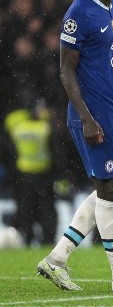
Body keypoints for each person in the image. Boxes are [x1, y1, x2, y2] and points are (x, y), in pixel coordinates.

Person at [37, 0, 113, 291]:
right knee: (107, 193)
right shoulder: (79, 11)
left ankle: (57, 259)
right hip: (92, 115)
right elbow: (66, 71)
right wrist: (87, 118)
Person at [4, 99, 57, 245]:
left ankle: (28, 239)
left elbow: (10, 120)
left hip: (23, 174)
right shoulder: (44, 127)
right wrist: (46, 115)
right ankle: (47, 241)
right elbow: (55, 146)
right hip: (43, 174)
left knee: (25, 210)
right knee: (47, 212)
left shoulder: (17, 127)